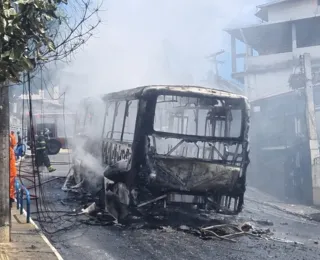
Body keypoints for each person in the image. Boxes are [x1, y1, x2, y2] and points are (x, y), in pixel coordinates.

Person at [9, 131, 17, 205]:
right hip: (11, 171)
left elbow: (14, 143)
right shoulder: (10, 149)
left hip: (11, 171)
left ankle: (11, 198)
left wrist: (11, 135)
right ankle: (11, 198)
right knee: (11, 187)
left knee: (11, 186)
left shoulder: (10, 149)